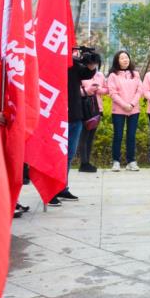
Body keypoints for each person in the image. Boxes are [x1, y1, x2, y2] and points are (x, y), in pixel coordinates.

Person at [56, 46, 97, 203]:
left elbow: (88, 72)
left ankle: (62, 188)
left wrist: (91, 58)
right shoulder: (50, 62)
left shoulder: (73, 65)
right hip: (56, 117)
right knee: (57, 155)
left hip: (75, 116)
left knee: (69, 155)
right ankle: (52, 189)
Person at [106, 50, 143, 172]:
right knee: (118, 135)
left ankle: (131, 161)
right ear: (117, 60)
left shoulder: (135, 74)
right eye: (122, 58)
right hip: (118, 111)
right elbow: (112, 93)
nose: (125, 60)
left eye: (126, 57)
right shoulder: (113, 75)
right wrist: (124, 105)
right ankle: (116, 161)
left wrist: (131, 104)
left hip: (134, 110)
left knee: (131, 136)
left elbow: (139, 90)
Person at [77, 51, 107, 173]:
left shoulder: (100, 75)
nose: (92, 65)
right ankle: (83, 163)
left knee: (90, 137)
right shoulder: (79, 73)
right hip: (84, 109)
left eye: (95, 63)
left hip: (96, 109)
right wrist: (88, 90)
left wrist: (99, 90)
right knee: (83, 136)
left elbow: (107, 90)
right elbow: (75, 91)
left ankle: (87, 162)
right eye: (90, 63)